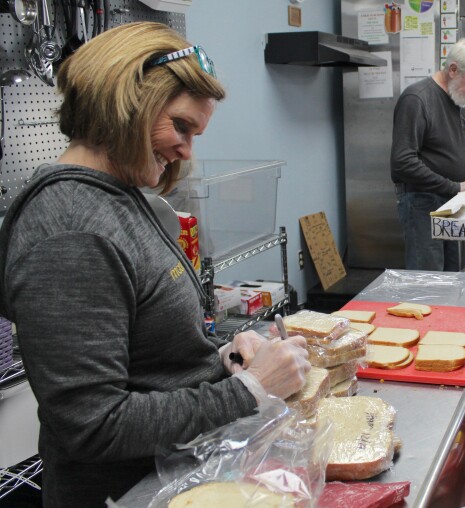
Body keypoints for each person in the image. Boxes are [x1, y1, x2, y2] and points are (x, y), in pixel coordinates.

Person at [0, 23, 311, 507]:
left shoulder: (119, 198)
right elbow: (93, 424)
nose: (187, 149)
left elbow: (153, 361)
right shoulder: (71, 231)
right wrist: (249, 389)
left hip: (175, 478)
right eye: (181, 126)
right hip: (124, 494)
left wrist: (225, 358)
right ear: (126, 104)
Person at [391, 38, 465, 271]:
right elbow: (402, 163)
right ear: (453, 70)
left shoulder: (461, 98)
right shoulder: (417, 99)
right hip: (422, 204)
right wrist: (456, 186)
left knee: (453, 277)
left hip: (453, 202)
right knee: (429, 281)